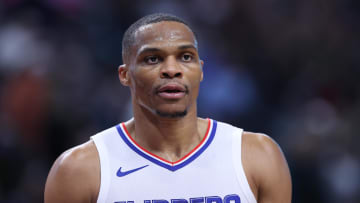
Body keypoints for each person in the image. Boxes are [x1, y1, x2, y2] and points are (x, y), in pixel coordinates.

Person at [44, 13, 292, 203]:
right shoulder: (78, 169)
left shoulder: (258, 156)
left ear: (201, 70)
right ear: (124, 75)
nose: (172, 69)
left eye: (186, 57)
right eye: (152, 59)